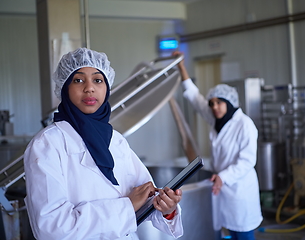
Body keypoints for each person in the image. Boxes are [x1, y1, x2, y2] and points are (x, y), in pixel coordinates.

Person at [24, 48, 183, 240]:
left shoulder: (116, 141)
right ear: (65, 87)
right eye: (78, 80)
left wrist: (167, 208)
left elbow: (146, 196)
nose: (89, 88)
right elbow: (52, 229)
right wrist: (127, 206)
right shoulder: (47, 144)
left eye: (98, 80)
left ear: (107, 88)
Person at [173, 51, 263, 240]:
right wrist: (181, 66)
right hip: (221, 188)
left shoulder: (244, 125)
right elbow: (195, 98)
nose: (214, 107)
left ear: (229, 103)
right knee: (225, 232)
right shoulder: (217, 119)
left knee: (243, 233)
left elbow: (247, 161)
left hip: (239, 190)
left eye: (219, 103)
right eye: (212, 103)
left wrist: (223, 176)